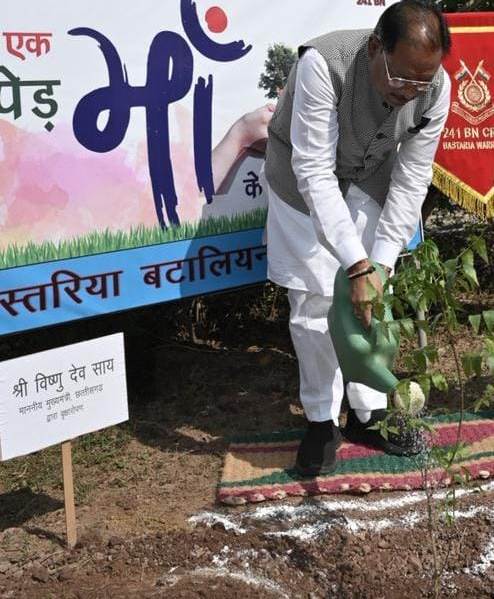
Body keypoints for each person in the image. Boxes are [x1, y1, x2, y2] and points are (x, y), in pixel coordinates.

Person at [264, 0, 451, 476]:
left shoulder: (435, 91)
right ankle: (321, 420)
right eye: (401, 78)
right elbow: (314, 171)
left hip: (368, 180)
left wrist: (379, 264)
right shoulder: (322, 65)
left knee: (370, 301)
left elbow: (412, 179)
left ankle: (369, 414)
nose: (409, 93)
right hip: (303, 184)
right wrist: (356, 264)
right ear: (375, 49)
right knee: (313, 301)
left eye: (422, 82)